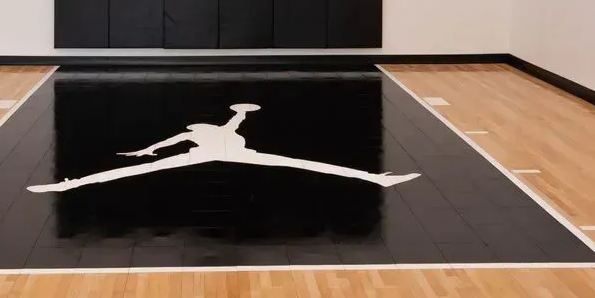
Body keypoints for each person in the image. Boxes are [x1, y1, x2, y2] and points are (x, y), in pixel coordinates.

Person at [27, 103, 421, 193]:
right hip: (204, 156)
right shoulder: (194, 137)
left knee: (306, 163)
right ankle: (67, 185)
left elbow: (238, 119)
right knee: (137, 170)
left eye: (193, 123)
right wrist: (148, 150)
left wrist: (242, 111)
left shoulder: (221, 128)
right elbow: (171, 140)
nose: (190, 125)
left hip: (238, 154)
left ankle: (375, 179)